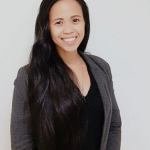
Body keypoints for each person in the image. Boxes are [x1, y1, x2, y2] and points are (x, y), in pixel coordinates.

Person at [10, 0, 122, 150]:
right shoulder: (28, 76)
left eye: (75, 20)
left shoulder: (101, 67)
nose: (68, 30)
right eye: (58, 22)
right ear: (47, 27)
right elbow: (22, 141)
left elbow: (113, 125)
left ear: (85, 22)